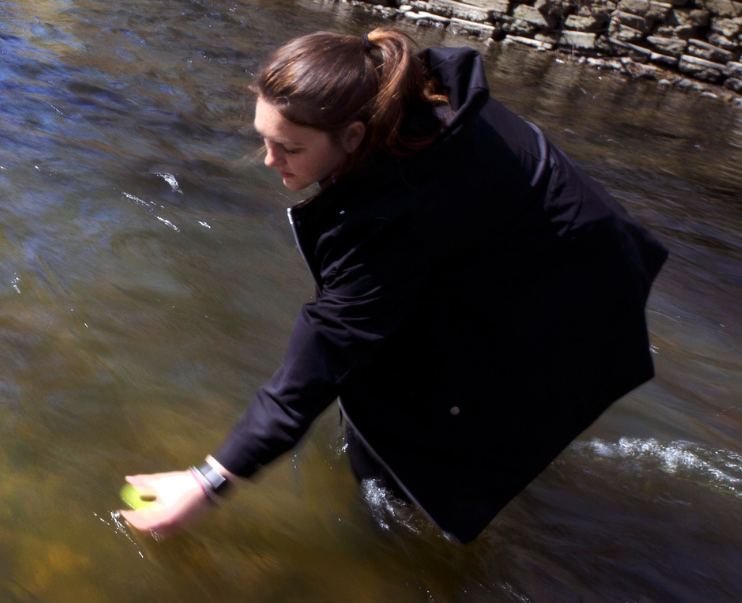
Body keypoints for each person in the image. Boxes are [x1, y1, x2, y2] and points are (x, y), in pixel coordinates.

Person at [121, 28, 667, 543]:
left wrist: (208, 481)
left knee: (403, 446)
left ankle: (427, 543)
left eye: (289, 147)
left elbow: (321, 356)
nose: (269, 160)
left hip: (576, 294)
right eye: (264, 139)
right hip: (532, 247)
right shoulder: (390, 99)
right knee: (383, 376)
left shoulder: (393, 219)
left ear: (354, 136)